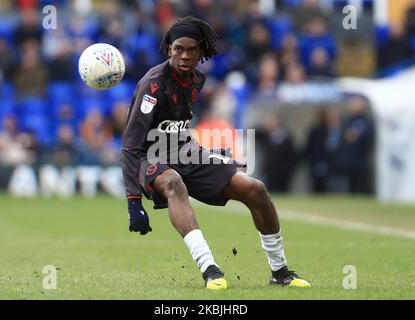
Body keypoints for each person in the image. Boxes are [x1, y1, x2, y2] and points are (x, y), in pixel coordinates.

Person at [121, 16, 310, 290]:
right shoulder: (152, 86)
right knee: (173, 182)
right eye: (178, 49)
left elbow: (177, 127)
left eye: (191, 50)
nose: (184, 56)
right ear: (169, 49)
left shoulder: (198, 80)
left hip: (184, 151)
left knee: (254, 188)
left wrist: (205, 154)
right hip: (149, 158)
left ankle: (280, 272)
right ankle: (210, 269)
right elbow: (130, 145)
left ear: (201, 52)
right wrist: (133, 202)